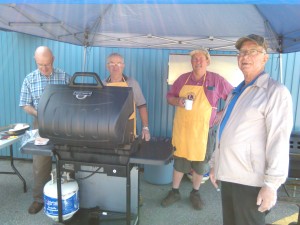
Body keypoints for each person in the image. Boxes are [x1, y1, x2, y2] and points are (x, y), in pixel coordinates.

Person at [209, 34, 293, 225]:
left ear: (265, 57)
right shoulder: (235, 92)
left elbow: (278, 141)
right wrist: (216, 164)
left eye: (252, 52)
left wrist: (271, 185)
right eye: (242, 53)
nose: (245, 57)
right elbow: (224, 132)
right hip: (230, 176)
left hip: (250, 182)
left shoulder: (275, 92)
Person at [162, 48, 233, 210]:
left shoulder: (216, 80)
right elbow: (169, 97)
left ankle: (195, 192)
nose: (198, 62)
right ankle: (175, 191)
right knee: (180, 160)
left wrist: (221, 114)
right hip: (183, 130)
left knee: (201, 164)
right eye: (194, 59)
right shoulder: (182, 79)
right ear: (191, 62)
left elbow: (233, 96)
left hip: (204, 132)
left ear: (207, 61)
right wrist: (177, 101)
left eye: (201, 59)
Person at [19, 46, 71, 214]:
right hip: (40, 124)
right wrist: (40, 113)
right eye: (40, 64)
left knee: (68, 158)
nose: (44, 68)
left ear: (53, 60)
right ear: (35, 60)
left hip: (63, 124)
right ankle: (39, 198)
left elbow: (74, 99)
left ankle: (70, 194)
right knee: (40, 162)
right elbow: (25, 104)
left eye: (47, 64)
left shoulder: (64, 77)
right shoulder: (29, 79)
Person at [103, 52, 151, 141]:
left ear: (123, 66)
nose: (115, 66)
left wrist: (145, 128)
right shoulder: (102, 84)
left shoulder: (132, 83)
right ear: (107, 66)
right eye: (112, 63)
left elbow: (142, 105)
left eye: (118, 63)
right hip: (106, 128)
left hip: (128, 129)